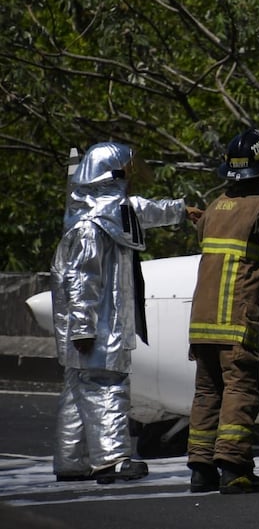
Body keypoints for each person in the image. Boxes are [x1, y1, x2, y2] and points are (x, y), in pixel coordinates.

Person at [51, 142, 202, 483]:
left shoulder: (109, 214)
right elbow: (81, 281)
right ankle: (112, 460)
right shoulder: (91, 227)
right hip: (96, 326)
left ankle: (71, 460)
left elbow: (144, 210)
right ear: (112, 175)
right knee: (106, 383)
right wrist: (83, 329)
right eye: (129, 171)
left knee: (78, 388)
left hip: (93, 323)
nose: (133, 178)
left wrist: (181, 210)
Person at [187, 129, 259, 495]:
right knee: (241, 390)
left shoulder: (215, 207)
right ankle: (234, 468)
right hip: (237, 321)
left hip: (202, 321)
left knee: (208, 393)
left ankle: (201, 469)